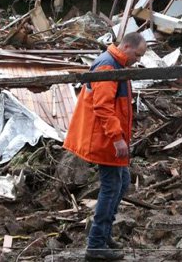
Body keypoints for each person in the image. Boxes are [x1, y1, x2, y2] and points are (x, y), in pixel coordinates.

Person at [63, 32, 147, 261]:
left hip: (105, 137)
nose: (137, 60)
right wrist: (117, 138)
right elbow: (103, 107)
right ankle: (96, 243)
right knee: (112, 186)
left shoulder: (114, 63)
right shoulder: (108, 67)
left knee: (122, 182)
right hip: (104, 138)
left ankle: (103, 235)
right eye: (137, 55)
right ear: (127, 46)